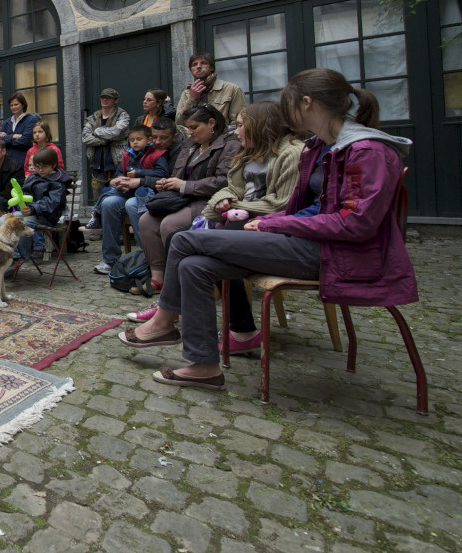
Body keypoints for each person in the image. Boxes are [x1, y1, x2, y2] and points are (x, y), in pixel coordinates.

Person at [119, 68, 416, 390]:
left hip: (338, 254)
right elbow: (310, 205)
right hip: (310, 241)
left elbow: (356, 224)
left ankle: (165, 321)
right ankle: (204, 365)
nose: (283, 112)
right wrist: (271, 221)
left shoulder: (365, 150)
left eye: (286, 104)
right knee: (194, 265)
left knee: (186, 240)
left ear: (305, 103)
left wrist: (275, 222)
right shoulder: (322, 147)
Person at [126, 102, 305, 333]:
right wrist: (220, 203)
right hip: (232, 214)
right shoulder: (247, 150)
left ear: (260, 126)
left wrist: (221, 205)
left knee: (183, 241)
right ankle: (236, 329)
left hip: (266, 223)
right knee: (176, 239)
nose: (236, 131)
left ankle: (170, 317)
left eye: (241, 125)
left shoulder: (290, 152)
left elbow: (283, 203)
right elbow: (232, 186)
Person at [135, 103, 240, 292]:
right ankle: (158, 278)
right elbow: (178, 174)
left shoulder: (229, 144)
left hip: (212, 202)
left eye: (194, 127)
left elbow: (225, 181)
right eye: (188, 127)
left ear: (211, 123)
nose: (189, 132)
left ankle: (180, 285)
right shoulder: (191, 144)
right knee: (146, 221)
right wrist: (166, 184)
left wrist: (183, 185)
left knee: (169, 224)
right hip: (182, 199)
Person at [94, 117, 185, 274]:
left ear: (174, 136)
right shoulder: (137, 151)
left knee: (132, 204)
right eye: (154, 137)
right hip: (130, 191)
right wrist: (116, 180)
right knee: (109, 203)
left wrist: (140, 180)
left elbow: (166, 178)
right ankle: (110, 259)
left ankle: (149, 258)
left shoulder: (179, 152)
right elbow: (121, 171)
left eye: (163, 138)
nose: (157, 141)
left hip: (158, 197)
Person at [0, 147, 71, 272]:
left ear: (53, 165)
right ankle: (8, 254)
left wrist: (33, 209)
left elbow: (52, 203)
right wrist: (20, 204)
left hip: (47, 216)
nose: (40, 170)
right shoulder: (33, 177)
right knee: (3, 219)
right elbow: (24, 195)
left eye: (44, 167)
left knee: (20, 224)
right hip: (30, 212)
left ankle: (20, 256)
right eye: (38, 167)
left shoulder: (57, 182)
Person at [82, 88, 131, 227]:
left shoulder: (122, 115)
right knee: (98, 195)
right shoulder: (93, 117)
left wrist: (97, 132)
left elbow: (118, 131)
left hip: (117, 163)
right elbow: (85, 138)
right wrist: (106, 139)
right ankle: (100, 226)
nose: (105, 100)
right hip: (98, 163)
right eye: (103, 97)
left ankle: (122, 229)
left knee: (118, 195)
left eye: (108, 97)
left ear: (116, 100)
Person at [92, 124, 169, 211]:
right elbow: (120, 172)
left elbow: (162, 173)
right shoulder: (127, 155)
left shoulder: (157, 154)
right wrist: (120, 179)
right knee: (106, 190)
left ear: (149, 140)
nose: (135, 142)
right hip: (127, 188)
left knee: (142, 192)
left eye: (139, 139)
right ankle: (97, 214)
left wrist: (139, 173)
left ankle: (143, 215)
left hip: (146, 187)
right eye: (132, 140)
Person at [175, 52, 246, 128]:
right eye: (194, 65)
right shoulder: (186, 93)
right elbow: (179, 123)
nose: (198, 67)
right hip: (195, 137)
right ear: (191, 71)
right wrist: (192, 99)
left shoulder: (232, 89)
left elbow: (238, 122)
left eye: (203, 63)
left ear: (211, 68)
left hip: (223, 137)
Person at [0, 92, 40, 170]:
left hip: (22, 161)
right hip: (6, 162)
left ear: (23, 105)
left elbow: (25, 141)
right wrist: (13, 136)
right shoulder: (7, 122)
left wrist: (7, 139)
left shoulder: (31, 120)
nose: (13, 107)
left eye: (16, 104)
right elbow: (0, 141)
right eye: (11, 105)